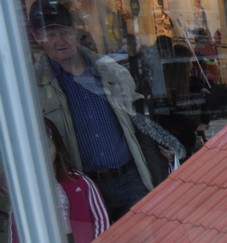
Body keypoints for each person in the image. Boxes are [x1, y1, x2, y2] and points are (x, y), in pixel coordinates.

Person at [27, 0, 155, 220]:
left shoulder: (109, 70)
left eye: (64, 32)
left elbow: (139, 114)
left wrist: (163, 140)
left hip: (129, 178)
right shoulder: (32, 88)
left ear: (75, 30)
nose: (60, 40)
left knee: (144, 238)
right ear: (37, 37)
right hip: (83, 187)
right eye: (51, 34)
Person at [9, 119, 110, 243]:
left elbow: (100, 219)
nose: (42, 154)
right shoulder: (24, 190)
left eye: (47, 146)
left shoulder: (80, 182)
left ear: (57, 146)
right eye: (34, 149)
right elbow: (17, 226)